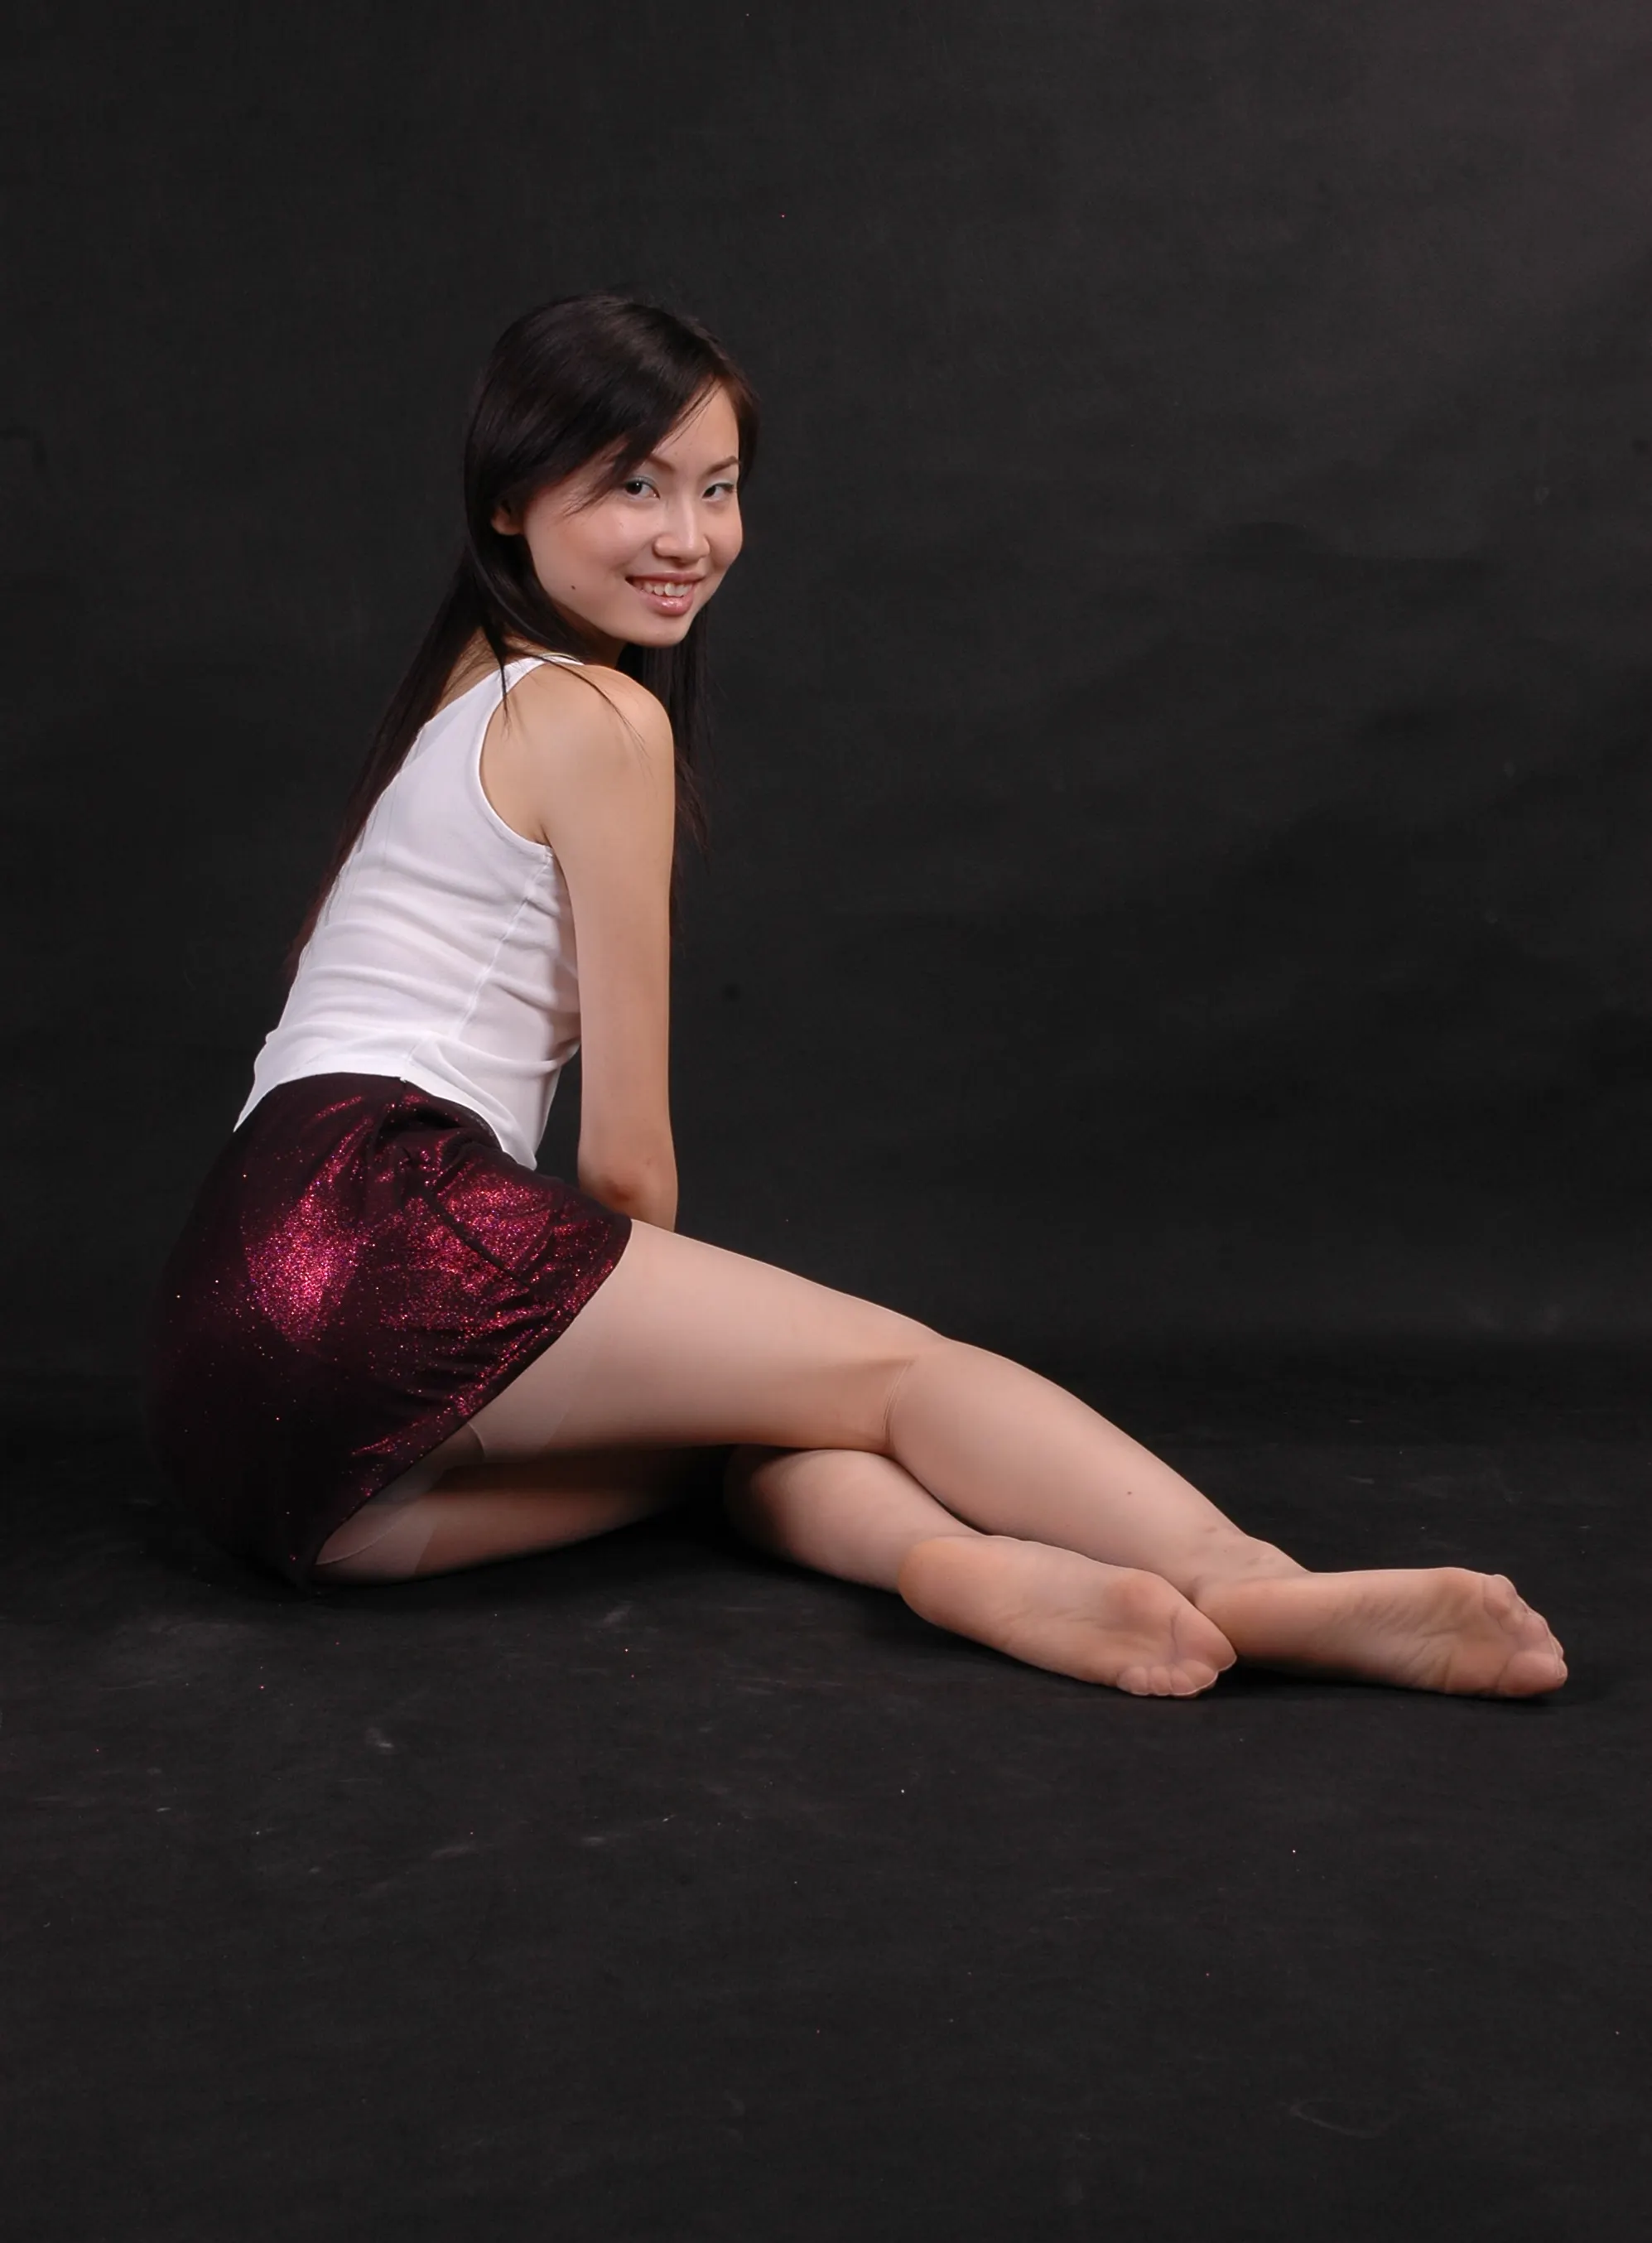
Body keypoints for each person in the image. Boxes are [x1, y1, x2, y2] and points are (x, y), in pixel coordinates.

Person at [147, 295, 1566, 1702]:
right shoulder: (594, 713)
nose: (688, 537)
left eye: (717, 489)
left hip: (254, 1436)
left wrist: (684, 1370)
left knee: (737, 1436)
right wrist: (657, 1320)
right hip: (382, 1220)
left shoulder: (462, 699)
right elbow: (625, 1161)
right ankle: (1249, 1579)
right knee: (897, 1376)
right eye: (633, 485)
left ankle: (944, 1565)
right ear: (509, 500)